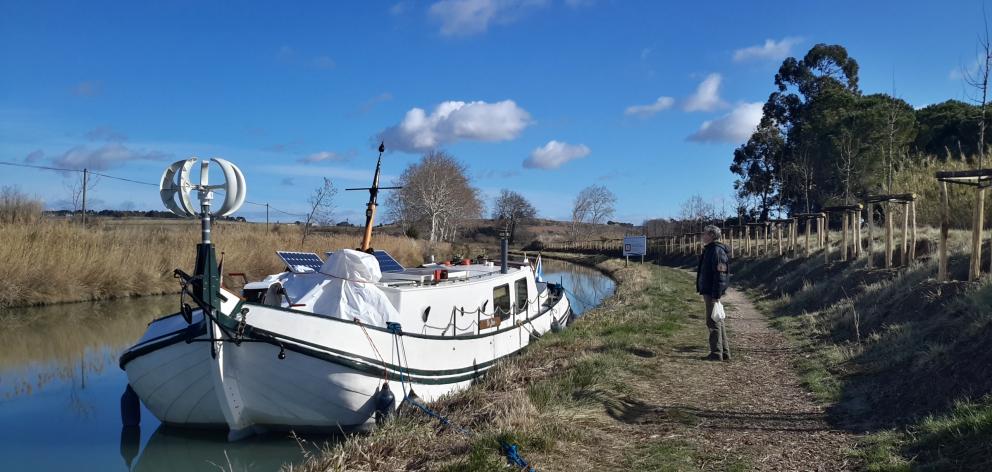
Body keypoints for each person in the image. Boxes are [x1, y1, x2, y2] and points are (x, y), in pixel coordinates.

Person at [696, 225, 731, 361]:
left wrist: (716, 294)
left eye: (704, 234)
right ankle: (724, 352)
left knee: (713, 321)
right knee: (717, 320)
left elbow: (720, 274)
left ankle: (716, 353)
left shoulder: (716, 251)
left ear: (711, 235)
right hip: (710, 291)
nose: (702, 236)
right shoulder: (711, 250)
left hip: (712, 292)